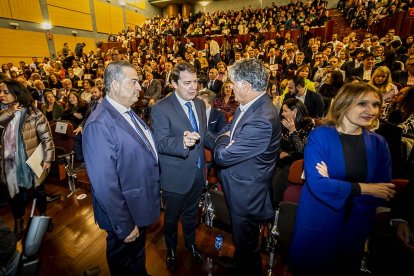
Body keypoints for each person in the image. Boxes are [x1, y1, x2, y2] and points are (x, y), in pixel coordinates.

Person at [289, 82, 396, 275]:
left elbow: (384, 191)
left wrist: (335, 183)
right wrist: (365, 188)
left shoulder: (378, 143)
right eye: (362, 103)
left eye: (375, 104)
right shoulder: (321, 135)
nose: (371, 110)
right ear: (344, 103)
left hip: (356, 225)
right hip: (319, 222)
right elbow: (318, 185)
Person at [82, 61, 159, 275]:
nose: (139, 87)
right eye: (134, 81)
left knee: (136, 256)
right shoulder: (100, 123)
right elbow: (105, 184)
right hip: (123, 213)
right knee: (123, 262)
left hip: (136, 205)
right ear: (115, 85)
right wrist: (124, 225)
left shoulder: (126, 110)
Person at [213, 58, 282, 275]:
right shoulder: (250, 105)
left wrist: (221, 140)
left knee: (248, 242)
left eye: (232, 83)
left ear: (245, 86)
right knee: (241, 237)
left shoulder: (262, 117)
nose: (230, 87)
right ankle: (239, 262)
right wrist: (226, 137)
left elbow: (222, 155)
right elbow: (229, 128)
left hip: (246, 191)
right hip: (239, 185)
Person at [151, 62, 215, 271]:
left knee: (190, 216)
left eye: (195, 82)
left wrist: (224, 141)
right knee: (171, 219)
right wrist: (182, 142)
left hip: (198, 172)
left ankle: (190, 244)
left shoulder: (198, 104)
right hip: (175, 176)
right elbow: (160, 142)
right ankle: (170, 249)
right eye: (187, 83)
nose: (193, 87)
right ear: (173, 83)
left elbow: (204, 136)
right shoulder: (161, 107)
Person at [0, 79, 54, 240]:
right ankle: (18, 221)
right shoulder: (4, 113)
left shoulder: (34, 114)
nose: (1, 95)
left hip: (32, 161)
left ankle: (43, 217)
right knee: (14, 194)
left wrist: (48, 159)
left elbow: (47, 138)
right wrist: (9, 112)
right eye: (1, 92)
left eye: (5, 92)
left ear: (17, 93)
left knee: (39, 191)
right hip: (9, 163)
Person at [271, 98, 315, 207]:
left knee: (282, 171)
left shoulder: (308, 124)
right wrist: (280, 151)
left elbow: (302, 150)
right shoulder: (283, 123)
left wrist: (293, 131)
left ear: (294, 111)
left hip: (298, 160)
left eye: (285, 111)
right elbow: (277, 142)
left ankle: (276, 205)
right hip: (282, 157)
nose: (282, 113)